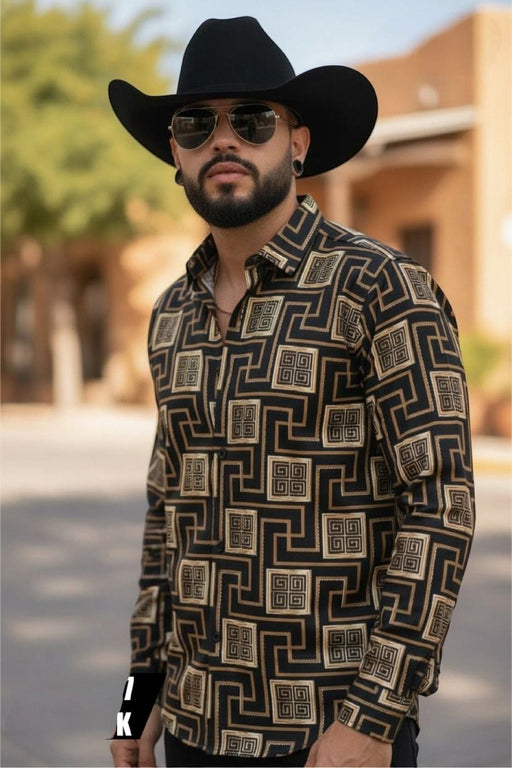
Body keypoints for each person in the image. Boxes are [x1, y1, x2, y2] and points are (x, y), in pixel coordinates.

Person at [108, 16, 474, 768]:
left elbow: (440, 508)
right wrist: (133, 707)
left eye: (251, 120)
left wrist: (373, 719)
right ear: (173, 152)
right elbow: (165, 521)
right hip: (193, 730)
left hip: (331, 736)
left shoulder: (377, 286)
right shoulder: (170, 313)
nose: (223, 140)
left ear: (297, 142)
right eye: (195, 124)